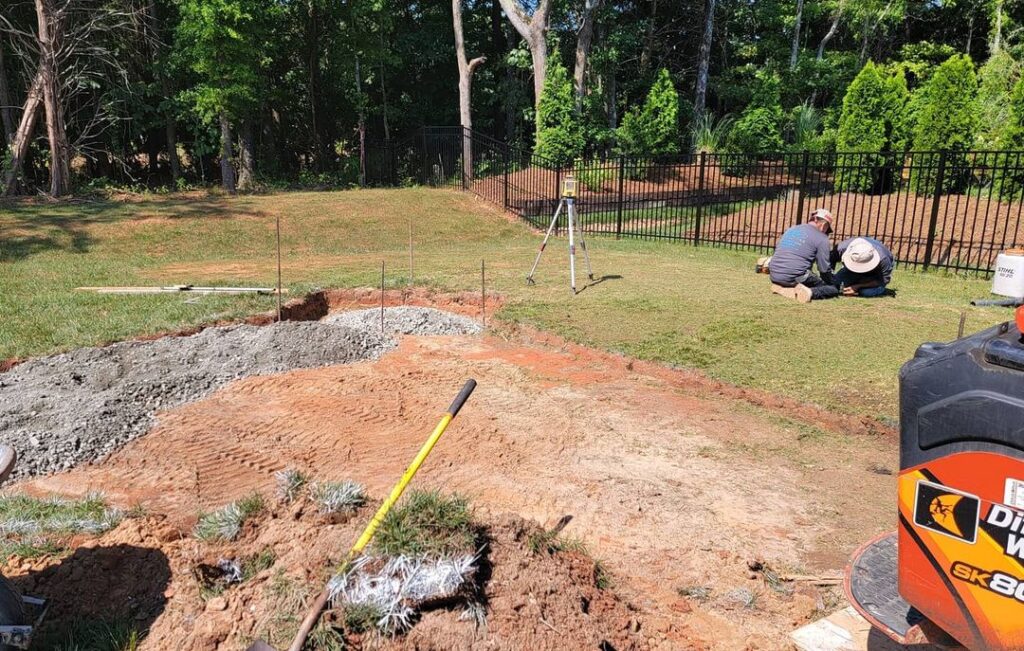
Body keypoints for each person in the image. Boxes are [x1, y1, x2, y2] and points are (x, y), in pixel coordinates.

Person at [769, 208, 840, 303]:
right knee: (832, 289)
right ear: (824, 224)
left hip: (774, 275)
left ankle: (783, 287)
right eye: (827, 228)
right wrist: (830, 282)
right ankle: (808, 292)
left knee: (810, 278)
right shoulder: (822, 238)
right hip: (794, 276)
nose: (826, 232)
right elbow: (824, 269)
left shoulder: (792, 229)